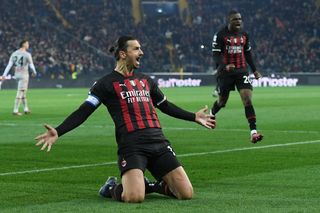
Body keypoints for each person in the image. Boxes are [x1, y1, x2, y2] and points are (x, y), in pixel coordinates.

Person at [35, 36, 216, 203]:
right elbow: (84, 111)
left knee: (186, 193)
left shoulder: (146, 81)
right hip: (132, 146)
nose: (141, 52)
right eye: (136, 49)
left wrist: (193, 117)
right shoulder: (104, 84)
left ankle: (150, 185)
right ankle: (112, 187)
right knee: (133, 197)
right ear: (123, 54)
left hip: (159, 142)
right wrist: (59, 131)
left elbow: (165, 105)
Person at [210, 10, 263, 143]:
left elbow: (248, 53)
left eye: (240, 19)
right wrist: (225, 65)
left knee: (247, 99)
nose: (238, 21)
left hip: (241, 71)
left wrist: (255, 70)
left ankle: (253, 132)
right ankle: (211, 114)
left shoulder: (244, 35)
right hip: (225, 73)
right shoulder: (220, 35)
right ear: (229, 21)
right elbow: (216, 54)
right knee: (222, 102)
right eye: (235, 19)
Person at [1, 39, 37, 115]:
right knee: (20, 92)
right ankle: (15, 110)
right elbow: (31, 65)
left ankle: (26, 109)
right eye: (27, 43)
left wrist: (4, 75)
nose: (28, 45)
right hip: (24, 75)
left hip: (16, 74)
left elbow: (9, 65)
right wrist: (34, 72)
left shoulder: (14, 53)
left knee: (23, 92)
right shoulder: (27, 54)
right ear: (23, 44)